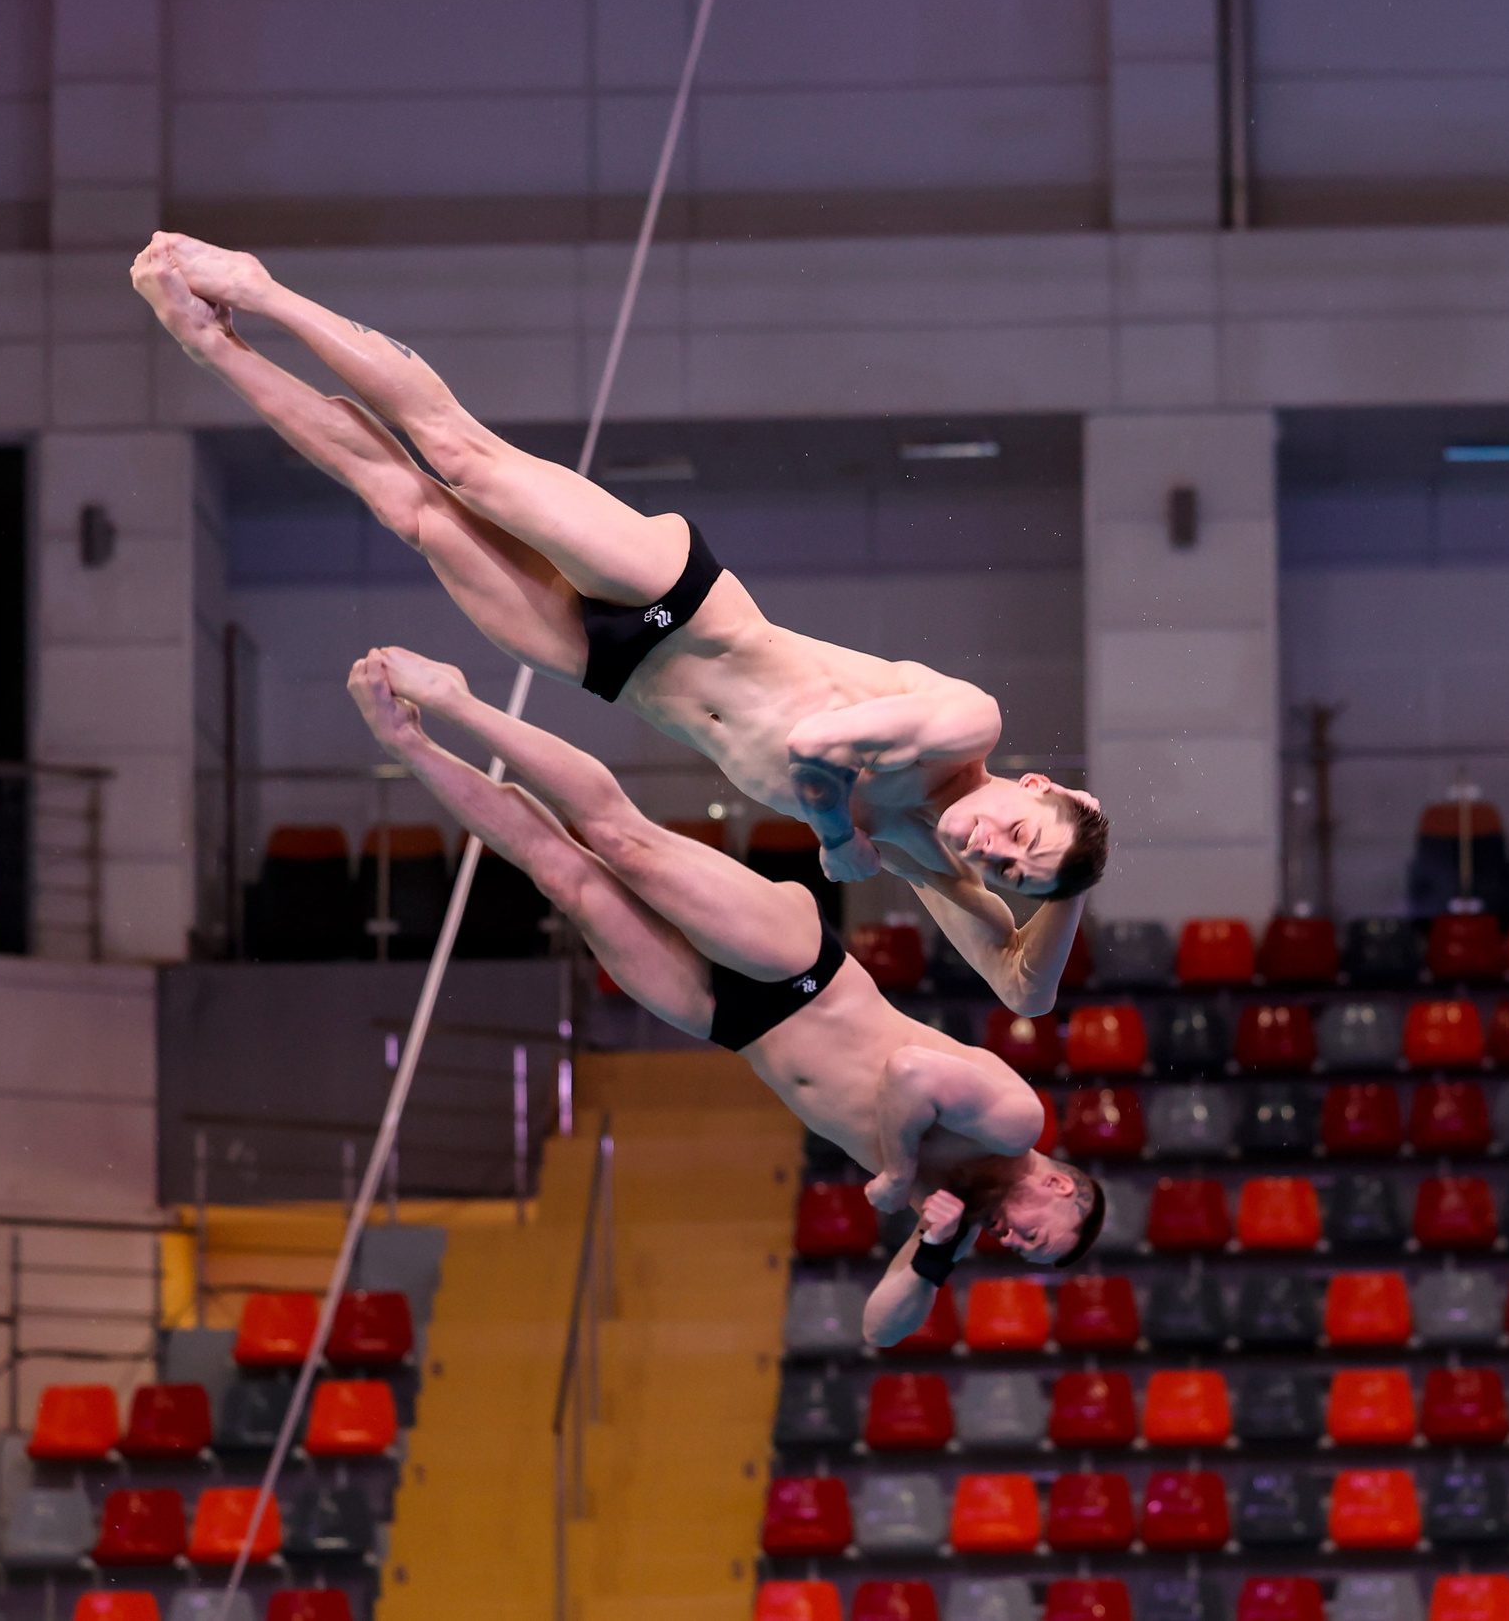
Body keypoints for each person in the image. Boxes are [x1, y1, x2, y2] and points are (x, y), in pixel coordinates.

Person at [131, 233, 1106, 1014]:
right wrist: (835, 835)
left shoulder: (924, 852)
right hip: (679, 599)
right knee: (459, 457)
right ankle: (258, 288)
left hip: (612, 672)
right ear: (1038, 782)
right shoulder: (966, 724)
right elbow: (816, 746)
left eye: (1014, 873)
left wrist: (1063, 881)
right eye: (1021, 831)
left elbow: (1024, 992)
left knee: (409, 509)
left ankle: (212, 345)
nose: (997, 852)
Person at [346, 643, 1102, 1344]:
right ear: (1059, 1186)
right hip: (801, 973)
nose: (1012, 1240)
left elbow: (881, 1328)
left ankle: (408, 744)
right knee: (618, 839)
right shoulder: (1016, 1122)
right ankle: (456, 700)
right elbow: (911, 1075)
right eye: (1034, 1234)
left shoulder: (955, 1216)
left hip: (735, 1023)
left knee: (565, 878)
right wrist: (902, 1173)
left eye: (1021, 1251)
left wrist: (934, 1251)